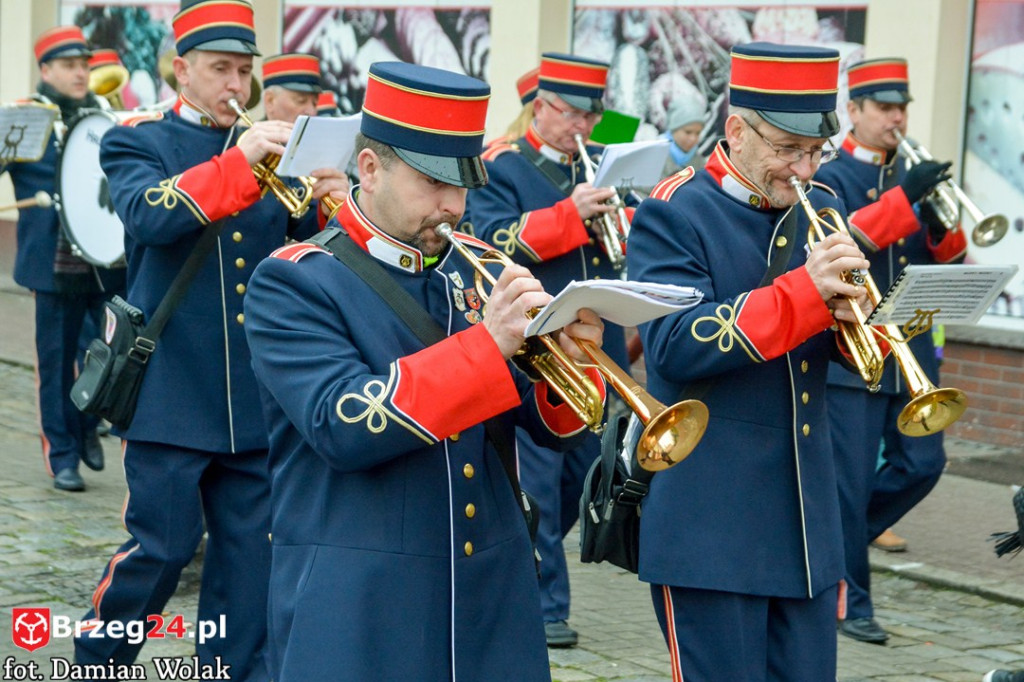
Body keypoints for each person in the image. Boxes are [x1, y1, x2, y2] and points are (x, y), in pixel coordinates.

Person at [242, 60, 607, 681]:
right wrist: (488, 346)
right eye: (433, 184)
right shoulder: (294, 279)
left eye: (463, 187)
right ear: (370, 168)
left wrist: (568, 364)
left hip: (491, 587)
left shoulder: (476, 266)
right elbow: (344, 423)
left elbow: (543, 424)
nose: (454, 207)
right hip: (365, 596)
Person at [73, 1, 347, 677]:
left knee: (249, 557)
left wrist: (335, 204)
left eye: (244, 71)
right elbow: (147, 215)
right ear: (180, 71)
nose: (235, 85)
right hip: (170, 386)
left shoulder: (277, 153)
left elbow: (303, 253)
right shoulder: (136, 139)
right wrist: (241, 162)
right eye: (219, 69)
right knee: (161, 549)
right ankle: (98, 659)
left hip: (254, 396)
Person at [627, 42, 874, 681]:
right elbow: (672, 345)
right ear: (736, 130)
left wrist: (857, 324)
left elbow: (819, 349)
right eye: (787, 149)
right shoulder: (674, 209)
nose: (805, 168)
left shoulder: (819, 210)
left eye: (817, 151)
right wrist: (805, 295)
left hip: (806, 523)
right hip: (714, 525)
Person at [465, 51, 628, 647]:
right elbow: (488, 239)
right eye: (573, 114)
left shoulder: (593, 170)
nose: (582, 127)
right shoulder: (505, 165)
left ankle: (530, 569)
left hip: (592, 349)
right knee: (536, 477)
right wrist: (569, 215)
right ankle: (547, 607)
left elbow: (605, 263)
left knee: (580, 479)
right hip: (534, 348)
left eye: (591, 116)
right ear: (542, 107)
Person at [813, 57, 966, 645]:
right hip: (857, 355)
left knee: (923, 465)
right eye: (883, 107)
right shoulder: (830, 175)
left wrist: (938, 215)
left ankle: (835, 538)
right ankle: (852, 603)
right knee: (849, 484)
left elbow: (948, 259)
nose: (896, 117)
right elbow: (839, 242)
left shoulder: (914, 172)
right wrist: (905, 198)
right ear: (854, 111)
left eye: (901, 106)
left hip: (916, 354)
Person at [0, 26, 123, 492]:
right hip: (51, 261)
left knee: (106, 354)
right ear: (46, 70)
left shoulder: (101, 114)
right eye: (70, 66)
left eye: (84, 66)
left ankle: (88, 425)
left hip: (101, 257)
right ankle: (63, 453)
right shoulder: (26, 118)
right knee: (55, 362)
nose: (80, 73)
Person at [262, 52, 321, 123]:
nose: (312, 112)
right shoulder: (249, 134)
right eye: (301, 101)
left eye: (314, 103)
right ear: (270, 101)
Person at [661, 95, 707, 176]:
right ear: (674, 129)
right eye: (688, 132)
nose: (693, 138)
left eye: (698, 133)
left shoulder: (700, 164)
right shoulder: (654, 156)